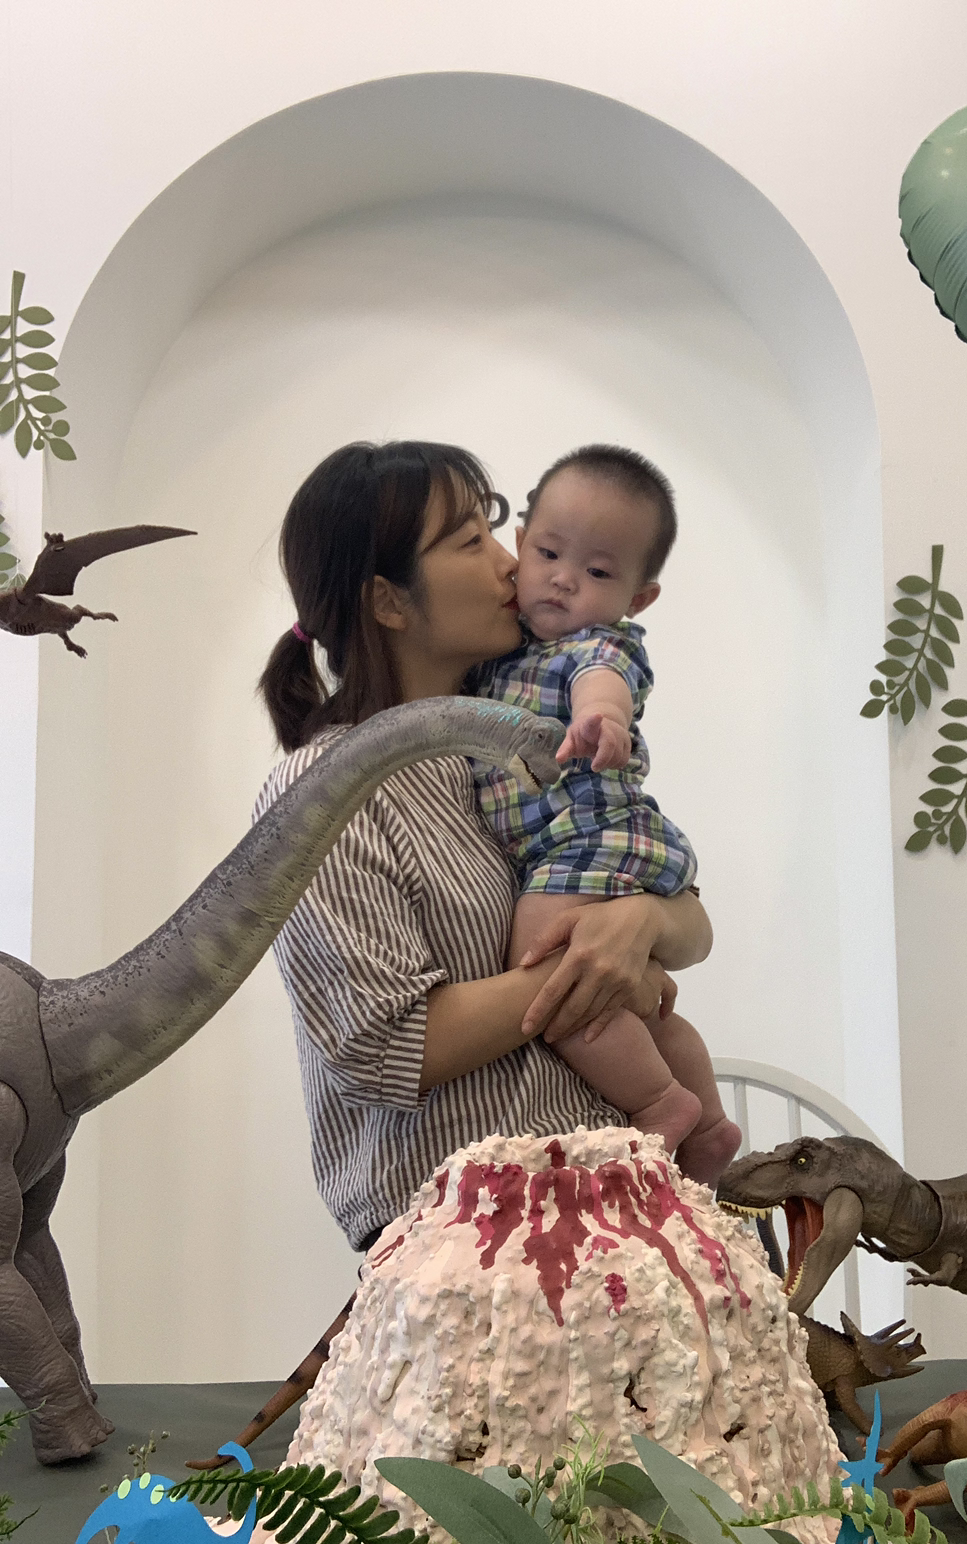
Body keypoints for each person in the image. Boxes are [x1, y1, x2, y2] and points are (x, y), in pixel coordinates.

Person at [254, 440, 713, 1251]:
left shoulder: (517, 740)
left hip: (621, 1198)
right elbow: (384, 1045)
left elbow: (690, 924)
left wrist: (637, 925)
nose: (511, 563)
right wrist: (588, 967)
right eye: (471, 540)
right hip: (468, 1244)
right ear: (389, 602)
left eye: (498, 529)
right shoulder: (324, 790)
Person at [475, 445, 741, 1186]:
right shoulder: (498, 655)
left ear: (639, 598)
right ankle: (709, 1125)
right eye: (548, 553)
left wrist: (603, 719)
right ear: (520, 543)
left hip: (587, 838)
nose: (564, 579)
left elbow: (602, 681)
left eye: (596, 572)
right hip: (575, 844)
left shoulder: (596, 643)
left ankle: (659, 1103)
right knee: (643, 1009)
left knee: (544, 961)